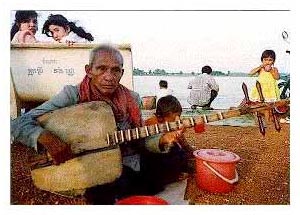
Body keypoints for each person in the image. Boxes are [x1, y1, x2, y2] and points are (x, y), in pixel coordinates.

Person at [10, 44, 179, 204]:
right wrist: (46, 137)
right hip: (85, 165)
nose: (109, 76)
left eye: (115, 70)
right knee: (110, 188)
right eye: (101, 68)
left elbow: (139, 138)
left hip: (125, 160)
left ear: (122, 72)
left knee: (173, 155)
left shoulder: (132, 99)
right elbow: (18, 123)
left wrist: (161, 140)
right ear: (89, 70)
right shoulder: (72, 95)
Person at [142, 95, 193, 192]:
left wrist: (191, 153)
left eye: (179, 116)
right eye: (174, 118)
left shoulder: (174, 124)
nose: (177, 120)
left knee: (180, 153)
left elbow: (183, 143)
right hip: (155, 157)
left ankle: (179, 172)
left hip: (168, 154)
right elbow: (147, 147)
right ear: (161, 117)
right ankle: (171, 177)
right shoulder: (150, 124)